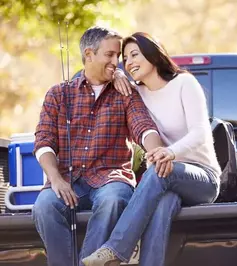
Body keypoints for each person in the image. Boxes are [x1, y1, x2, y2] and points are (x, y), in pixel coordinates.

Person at [82, 32, 221, 266]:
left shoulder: (184, 83)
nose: (129, 62)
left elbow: (200, 133)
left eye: (135, 54)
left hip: (202, 177)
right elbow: (98, 75)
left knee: (157, 172)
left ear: (153, 54)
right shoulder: (137, 94)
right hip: (166, 174)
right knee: (164, 204)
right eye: (125, 59)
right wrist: (116, 74)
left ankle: (116, 249)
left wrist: (170, 152)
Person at [32, 27, 165, 266]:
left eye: (118, 56)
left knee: (113, 199)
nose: (117, 62)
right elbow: (43, 141)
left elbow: (143, 126)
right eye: (110, 55)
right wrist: (55, 178)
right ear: (89, 54)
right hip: (67, 180)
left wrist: (156, 151)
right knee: (44, 205)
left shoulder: (125, 92)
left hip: (111, 179)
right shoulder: (57, 94)